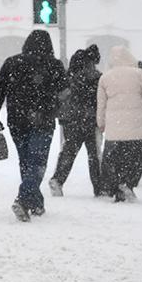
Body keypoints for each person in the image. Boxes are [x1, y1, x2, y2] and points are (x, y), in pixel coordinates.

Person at [0, 30, 68, 221]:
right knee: (37, 163)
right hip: (43, 120)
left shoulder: (12, 63)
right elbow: (64, 93)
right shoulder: (54, 65)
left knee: (26, 162)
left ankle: (36, 203)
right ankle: (23, 200)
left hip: (17, 120)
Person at [96, 46, 142, 203]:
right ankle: (129, 183)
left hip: (115, 129)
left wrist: (101, 122)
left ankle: (118, 186)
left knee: (116, 160)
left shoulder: (105, 77)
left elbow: (101, 104)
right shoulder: (140, 74)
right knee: (138, 158)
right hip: (138, 126)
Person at [49, 44, 102, 197]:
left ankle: (58, 179)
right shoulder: (95, 76)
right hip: (90, 119)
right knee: (94, 155)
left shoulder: (68, 76)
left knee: (69, 151)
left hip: (70, 118)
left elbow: (61, 96)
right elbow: (98, 98)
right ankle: (99, 187)